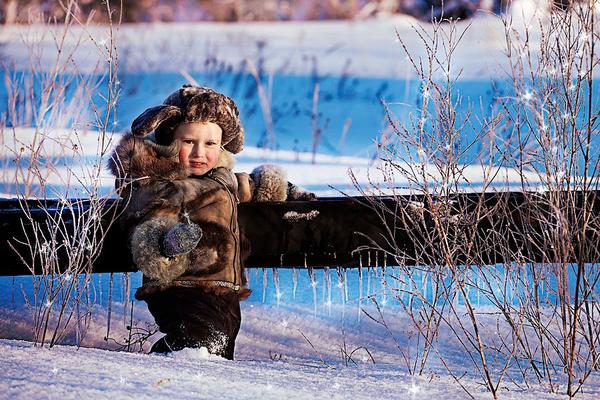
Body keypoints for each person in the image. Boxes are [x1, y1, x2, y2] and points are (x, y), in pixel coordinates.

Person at [108, 84, 313, 359]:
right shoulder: (159, 184)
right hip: (180, 287)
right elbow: (150, 225)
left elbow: (251, 185)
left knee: (220, 345)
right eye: (189, 142)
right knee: (199, 343)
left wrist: (286, 189)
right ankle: (161, 373)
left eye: (210, 144)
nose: (199, 153)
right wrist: (170, 243)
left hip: (224, 289)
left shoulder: (222, 178)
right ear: (169, 139)